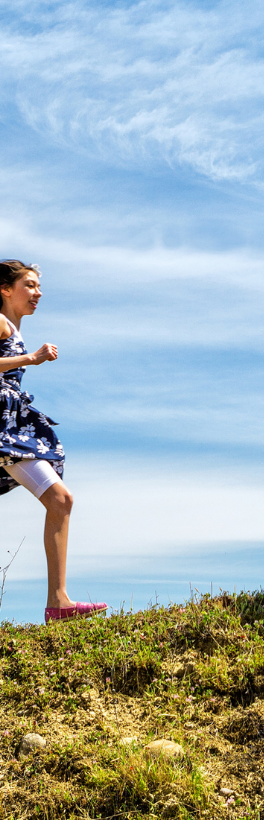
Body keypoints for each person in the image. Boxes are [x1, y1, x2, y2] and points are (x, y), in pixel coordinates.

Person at [0, 260, 107, 622]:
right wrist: (32, 357)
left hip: (11, 424)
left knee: (60, 500)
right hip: (4, 428)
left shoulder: (10, 326)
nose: (37, 293)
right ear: (5, 289)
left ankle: (58, 603)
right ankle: (58, 602)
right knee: (60, 498)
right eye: (28, 285)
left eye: (38, 287)